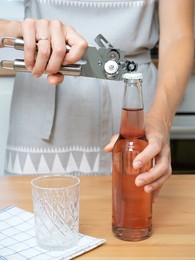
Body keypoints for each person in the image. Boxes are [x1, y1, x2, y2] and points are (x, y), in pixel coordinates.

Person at [0, 0, 194, 202]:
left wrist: (159, 120)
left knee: (136, 214)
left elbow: (178, 36)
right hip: (39, 109)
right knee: (28, 219)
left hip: (136, 110)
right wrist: (17, 30)